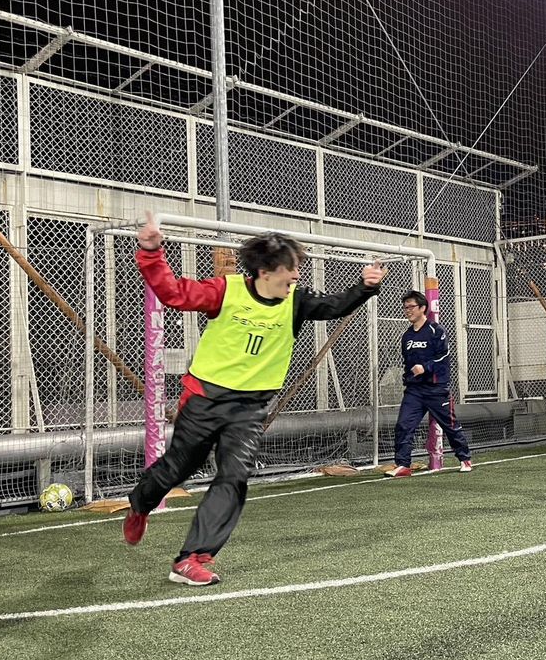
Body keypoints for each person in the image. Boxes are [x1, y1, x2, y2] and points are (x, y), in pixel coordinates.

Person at [122, 211, 386, 585]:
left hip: (249, 409)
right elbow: (174, 293)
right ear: (265, 271)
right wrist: (151, 252)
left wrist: (365, 286)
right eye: (290, 269)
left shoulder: (296, 300)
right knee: (178, 468)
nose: (296, 276)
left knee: (235, 475)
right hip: (204, 399)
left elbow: (335, 305)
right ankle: (140, 505)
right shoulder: (225, 291)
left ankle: (192, 557)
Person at [388, 290, 473, 477]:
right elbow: (407, 363)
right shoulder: (407, 336)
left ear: (422, 308)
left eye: (411, 307)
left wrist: (425, 367)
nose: (407, 310)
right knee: (403, 425)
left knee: (450, 425)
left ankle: (464, 458)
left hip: (436, 390)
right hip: (414, 391)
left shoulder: (436, 330)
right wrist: (408, 378)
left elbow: (443, 358)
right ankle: (403, 465)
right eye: (405, 307)